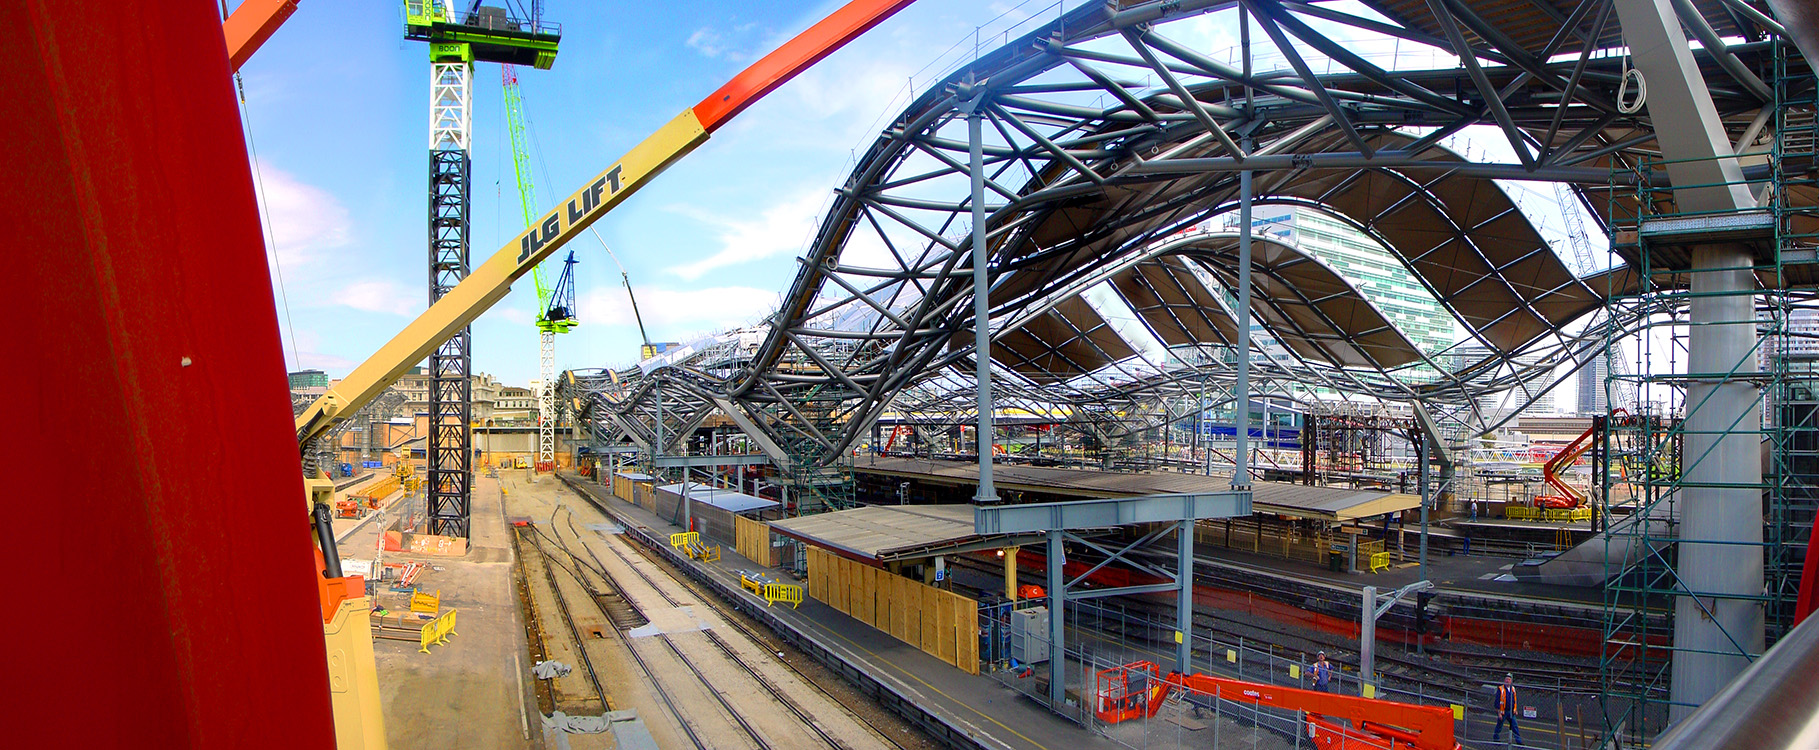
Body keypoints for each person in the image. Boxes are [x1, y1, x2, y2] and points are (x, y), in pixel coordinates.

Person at [1493, 673, 1524, 745]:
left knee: (1514, 726)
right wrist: (1499, 712)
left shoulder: (1513, 689)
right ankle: (1496, 739)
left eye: (1509, 679)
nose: (1507, 681)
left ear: (1511, 681)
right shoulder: (1501, 689)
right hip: (1503, 711)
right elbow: (1497, 701)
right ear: (1504, 680)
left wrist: (1515, 709)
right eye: (1506, 679)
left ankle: (1518, 741)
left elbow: (1515, 700)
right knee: (1499, 726)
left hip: (1511, 711)